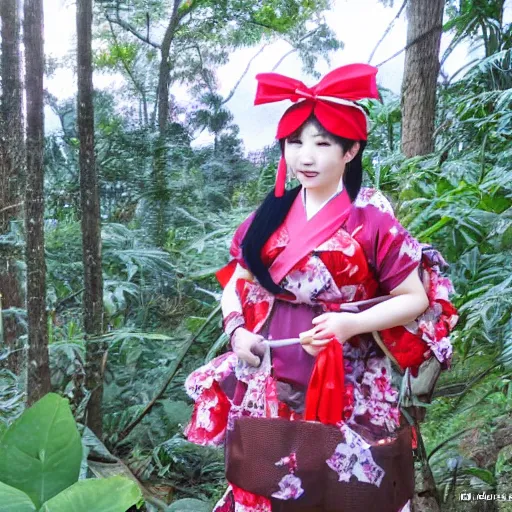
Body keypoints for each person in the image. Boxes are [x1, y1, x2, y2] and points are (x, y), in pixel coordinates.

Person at [184, 64, 457, 512]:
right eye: (295, 143)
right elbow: (236, 284)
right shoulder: (267, 219)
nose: (305, 157)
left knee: (350, 491)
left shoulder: (375, 225)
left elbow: (415, 299)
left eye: (322, 144)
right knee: (266, 485)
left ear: (350, 151)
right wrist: (237, 331)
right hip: (271, 371)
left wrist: (351, 325)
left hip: (351, 377)